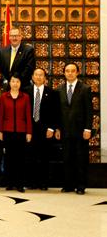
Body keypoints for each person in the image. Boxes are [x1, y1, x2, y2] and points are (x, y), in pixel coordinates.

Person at [56, 63, 93, 195]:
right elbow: (57, 112)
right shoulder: (59, 89)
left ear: (77, 72)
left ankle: (81, 185)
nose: (70, 73)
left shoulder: (85, 88)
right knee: (67, 158)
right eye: (67, 71)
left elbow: (89, 111)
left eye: (73, 71)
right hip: (65, 130)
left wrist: (88, 129)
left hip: (80, 131)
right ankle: (68, 185)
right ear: (64, 73)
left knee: (80, 158)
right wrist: (58, 129)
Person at [25, 68, 59, 190]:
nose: (39, 77)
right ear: (32, 77)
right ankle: (31, 182)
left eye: (41, 75)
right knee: (30, 156)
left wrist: (52, 128)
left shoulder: (52, 92)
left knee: (44, 157)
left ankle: (43, 182)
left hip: (45, 130)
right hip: (30, 129)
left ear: (45, 78)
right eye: (36, 75)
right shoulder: (26, 92)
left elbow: (56, 112)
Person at [0, 74, 32, 193]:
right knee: (9, 158)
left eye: (17, 81)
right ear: (10, 83)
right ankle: (10, 183)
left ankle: (20, 184)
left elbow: (28, 115)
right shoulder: (4, 96)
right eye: (13, 81)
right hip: (7, 131)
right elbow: (0, 115)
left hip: (21, 131)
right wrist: (0, 131)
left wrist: (29, 132)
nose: (15, 84)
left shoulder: (25, 97)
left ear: (20, 83)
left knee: (20, 158)